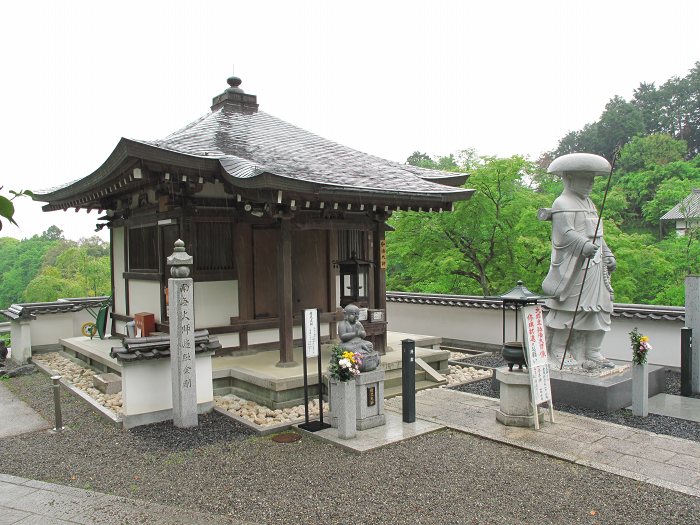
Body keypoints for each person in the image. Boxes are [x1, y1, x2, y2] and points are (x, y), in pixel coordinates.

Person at [542, 153, 616, 370]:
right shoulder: (562, 202)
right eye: (586, 179)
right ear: (569, 178)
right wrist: (583, 245)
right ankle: (558, 350)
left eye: (592, 179)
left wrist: (608, 254)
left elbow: (599, 236)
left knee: (601, 309)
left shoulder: (590, 203)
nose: (591, 184)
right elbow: (565, 232)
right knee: (568, 311)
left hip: (596, 265)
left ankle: (592, 352)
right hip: (575, 265)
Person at [337, 304, 380, 372]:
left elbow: (364, 335)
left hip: (360, 342)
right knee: (348, 348)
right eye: (353, 314)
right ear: (346, 315)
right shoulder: (342, 324)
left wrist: (361, 333)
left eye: (357, 314)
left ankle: (362, 351)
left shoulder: (358, 323)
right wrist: (355, 334)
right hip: (348, 343)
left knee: (370, 344)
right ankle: (361, 352)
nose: (356, 316)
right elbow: (342, 336)